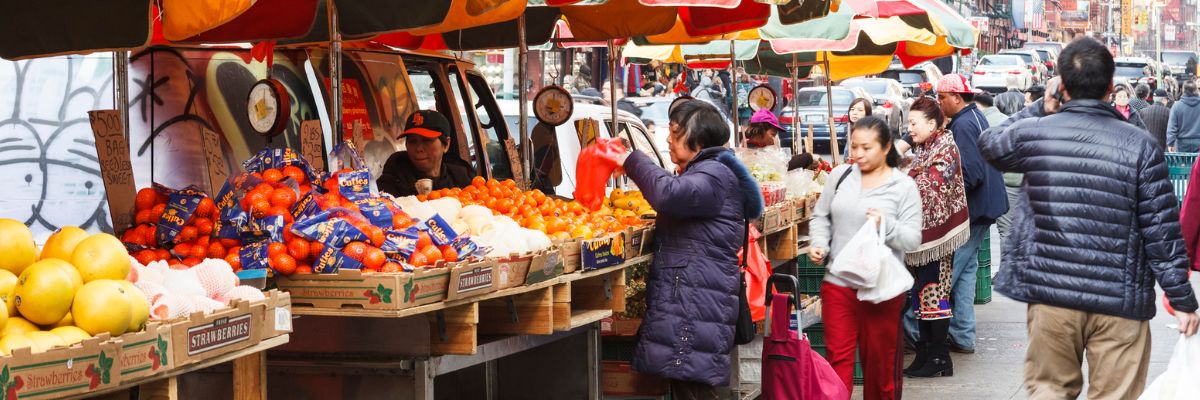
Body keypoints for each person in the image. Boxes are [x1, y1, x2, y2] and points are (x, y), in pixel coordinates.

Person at [979, 37, 1199, 399]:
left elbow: (990, 142)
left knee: (1049, 390)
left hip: (1052, 296)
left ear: (1060, 85)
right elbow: (1162, 230)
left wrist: (1039, 108)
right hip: (1120, 301)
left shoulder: (1036, 132)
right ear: (1111, 88)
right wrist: (1182, 299)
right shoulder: (1141, 145)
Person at [615, 100, 764, 399]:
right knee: (686, 383)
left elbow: (668, 194)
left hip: (695, 298)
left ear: (697, 136)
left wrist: (633, 160)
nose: (668, 139)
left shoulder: (714, 174)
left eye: (674, 131)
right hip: (694, 294)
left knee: (690, 384)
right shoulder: (708, 170)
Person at [809, 116, 923, 399]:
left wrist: (887, 225)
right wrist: (820, 243)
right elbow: (821, 215)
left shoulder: (903, 187)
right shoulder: (840, 176)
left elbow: (912, 239)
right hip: (839, 284)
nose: (858, 154)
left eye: (866, 148)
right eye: (854, 146)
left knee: (881, 369)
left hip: (881, 289)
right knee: (837, 365)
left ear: (886, 148)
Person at [931, 74, 1008, 354]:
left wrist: (947, 196)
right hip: (984, 206)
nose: (939, 104)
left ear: (957, 98)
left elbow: (971, 173)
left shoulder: (963, 125)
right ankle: (962, 334)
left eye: (942, 99)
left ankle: (920, 330)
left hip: (974, 210)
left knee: (949, 273)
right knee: (966, 271)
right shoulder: (973, 117)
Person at [901, 97, 971, 379]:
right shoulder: (925, 145)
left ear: (932, 124)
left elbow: (932, 186)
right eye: (909, 123)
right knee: (921, 295)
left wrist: (905, 177)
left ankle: (940, 357)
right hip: (922, 235)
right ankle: (925, 352)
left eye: (914, 123)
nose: (910, 129)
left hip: (939, 237)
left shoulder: (946, 147)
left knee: (934, 293)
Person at [992, 77, 1061, 250]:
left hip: (1018, 180)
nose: (1024, 104)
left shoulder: (1032, 123)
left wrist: (1036, 107)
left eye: (1027, 101)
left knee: (1011, 232)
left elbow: (990, 142)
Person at [377, 110, 476, 197]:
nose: (419, 148)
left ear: (446, 144)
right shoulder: (392, 181)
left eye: (427, 140)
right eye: (412, 141)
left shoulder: (463, 178)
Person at [1168, 81, 1200, 152]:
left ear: (1183, 90)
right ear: (1196, 90)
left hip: (1182, 143)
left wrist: (1170, 143)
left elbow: (1172, 127)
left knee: (1183, 163)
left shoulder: (1176, 106)